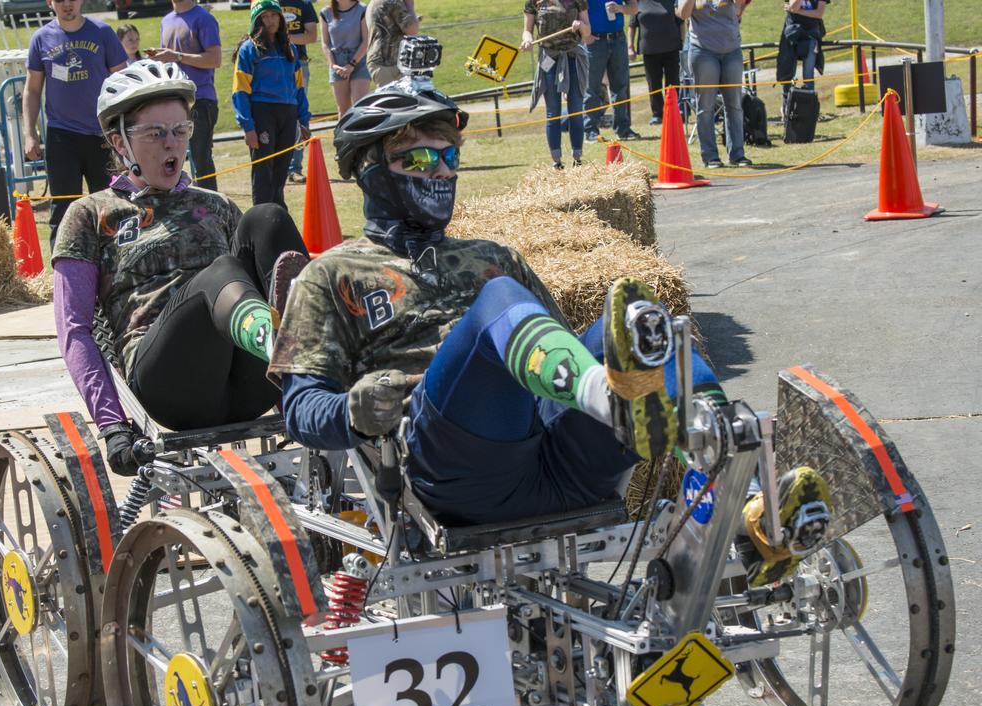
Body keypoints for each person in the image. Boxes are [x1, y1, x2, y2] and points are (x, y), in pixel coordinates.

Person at [269, 82, 832, 588]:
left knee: (642, 319)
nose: (441, 171)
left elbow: (553, 351)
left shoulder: (492, 256)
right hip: (454, 471)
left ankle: (745, 500)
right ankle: (614, 402)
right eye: (417, 157)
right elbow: (299, 409)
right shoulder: (332, 274)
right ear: (368, 170)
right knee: (498, 302)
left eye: (448, 156)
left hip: (567, 462)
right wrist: (355, 411)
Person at [51, 61, 310, 471]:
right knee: (219, 274)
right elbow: (74, 329)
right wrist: (112, 423)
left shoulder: (217, 206)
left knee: (267, 217)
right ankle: (290, 351)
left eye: (181, 131)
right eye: (156, 134)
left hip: (246, 380)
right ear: (119, 141)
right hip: (168, 380)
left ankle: (306, 377)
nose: (172, 144)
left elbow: (266, 275)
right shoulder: (91, 214)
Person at [23, 0, 129, 244]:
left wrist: (122, 127)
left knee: (110, 204)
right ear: (50, 3)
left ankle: (114, 264)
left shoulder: (102, 32)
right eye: (60, 0)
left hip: (102, 134)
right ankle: (62, 269)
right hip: (62, 135)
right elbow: (32, 90)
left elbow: (123, 81)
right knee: (63, 207)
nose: (67, 4)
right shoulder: (41, 38)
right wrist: (29, 133)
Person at [232, 1, 312, 209]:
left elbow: (299, 88)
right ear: (256, 20)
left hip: (288, 112)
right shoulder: (249, 50)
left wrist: (304, 120)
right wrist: (248, 126)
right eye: (265, 16)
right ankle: (262, 214)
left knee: (282, 167)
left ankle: (278, 211)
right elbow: (240, 90)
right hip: (262, 113)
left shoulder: (290, 49)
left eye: (274, 15)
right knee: (263, 169)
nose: (271, 21)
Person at [152, 0, 222, 191]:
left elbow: (215, 59)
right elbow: (168, 59)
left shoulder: (204, 18)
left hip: (200, 99)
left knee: (201, 158)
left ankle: (210, 210)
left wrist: (177, 56)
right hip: (173, 101)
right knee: (170, 156)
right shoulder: (166, 21)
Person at [678, 0, 752, 168]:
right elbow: (683, 14)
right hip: (703, 51)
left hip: (731, 49)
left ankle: (737, 154)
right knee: (705, 106)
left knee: (734, 104)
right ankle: (710, 156)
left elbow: (738, 9)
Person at [521, 0, 591, 169]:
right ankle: (557, 160)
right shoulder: (534, 2)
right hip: (548, 59)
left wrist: (580, 25)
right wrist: (527, 40)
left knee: (576, 109)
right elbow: (527, 31)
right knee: (553, 111)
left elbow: (588, 32)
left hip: (573, 57)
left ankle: (577, 157)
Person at [582, 0, 641, 142]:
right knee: (591, 88)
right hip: (594, 42)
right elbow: (575, 11)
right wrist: (585, 36)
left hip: (618, 39)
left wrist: (620, 8)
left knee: (620, 87)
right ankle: (590, 131)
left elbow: (634, 8)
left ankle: (623, 129)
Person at [280, 0, 319, 184]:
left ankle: (295, 168)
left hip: (299, 62)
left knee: (299, 112)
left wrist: (281, 37)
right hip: (270, 63)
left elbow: (311, 36)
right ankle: (277, 166)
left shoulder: (304, 4)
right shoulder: (267, 3)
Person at [635, 0, 684, 124]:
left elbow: (681, 22)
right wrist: (630, 46)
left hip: (672, 48)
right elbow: (632, 24)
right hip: (649, 50)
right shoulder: (639, 2)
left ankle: (673, 111)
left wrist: (682, 42)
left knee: (673, 82)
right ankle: (657, 114)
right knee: (653, 83)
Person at [321, 0, 371, 117]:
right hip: (337, 61)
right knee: (343, 110)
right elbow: (325, 43)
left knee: (360, 107)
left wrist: (352, 64)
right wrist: (333, 65)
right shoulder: (326, 12)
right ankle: (342, 135)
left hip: (359, 60)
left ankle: (361, 135)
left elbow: (366, 41)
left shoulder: (362, 9)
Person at [776, 0, 826, 97]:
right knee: (788, 68)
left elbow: (819, 14)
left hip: (811, 35)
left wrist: (798, 11)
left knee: (808, 73)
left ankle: (809, 104)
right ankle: (787, 103)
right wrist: (795, 10)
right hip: (792, 33)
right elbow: (794, 7)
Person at [365, 0, 419, 88]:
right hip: (390, 65)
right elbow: (412, 30)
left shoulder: (374, 2)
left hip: (378, 63)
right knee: (399, 100)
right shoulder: (393, 2)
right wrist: (410, 6)